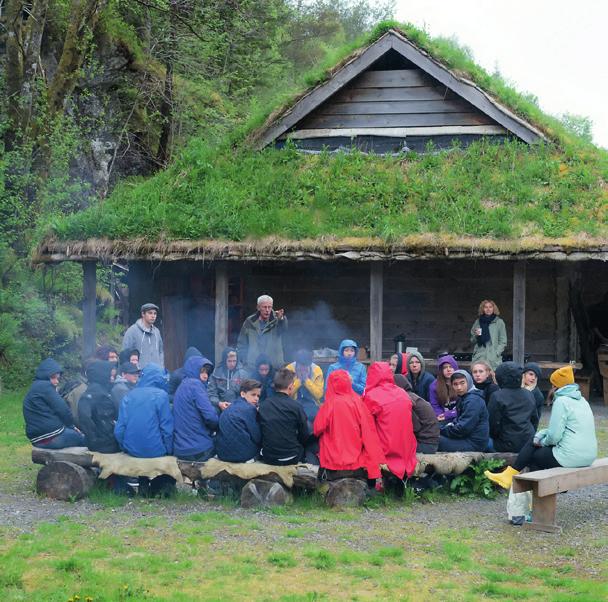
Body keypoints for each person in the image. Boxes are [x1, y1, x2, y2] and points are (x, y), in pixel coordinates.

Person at [485, 365, 598, 489]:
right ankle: (530, 491)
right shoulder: (582, 400)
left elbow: (554, 437)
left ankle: (527, 491)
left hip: (571, 457)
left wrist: (541, 440)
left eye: (552, 384)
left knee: (533, 455)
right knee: (534, 443)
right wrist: (541, 435)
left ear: (556, 386)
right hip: (589, 455)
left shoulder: (561, 401)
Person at [314, 370, 385, 481]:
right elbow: (368, 430)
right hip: (356, 456)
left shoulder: (329, 404)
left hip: (334, 459)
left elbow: (317, 429)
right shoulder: (358, 401)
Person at [115, 363, 175, 496]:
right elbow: (167, 428)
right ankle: (157, 488)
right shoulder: (161, 395)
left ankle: (143, 485)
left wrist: (124, 446)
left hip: (132, 449)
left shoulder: (129, 395)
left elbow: (120, 428)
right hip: (156, 449)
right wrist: (169, 450)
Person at [363, 362, 418, 484]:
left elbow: (366, 426)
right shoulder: (402, 392)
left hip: (387, 448)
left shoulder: (372, 395)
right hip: (407, 447)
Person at [23, 359, 86, 449]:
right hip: (53, 436)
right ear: (45, 376)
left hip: (37, 440)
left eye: (58, 378)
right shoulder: (45, 386)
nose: (56, 381)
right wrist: (71, 426)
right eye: (53, 377)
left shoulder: (35, 387)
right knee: (87, 439)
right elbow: (63, 409)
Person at [258, 368, 311, 466]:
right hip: (291, 457)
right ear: (290, 387)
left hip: (269, 457)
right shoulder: (296, 406)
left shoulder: (263, 405)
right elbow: (304, 434)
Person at [172, 355, 217, 462]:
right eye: (202, 372)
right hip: (198, 450)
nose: (205, 376)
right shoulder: (196, 386)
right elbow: (211, 417)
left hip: (180, 449)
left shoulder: (182, 386)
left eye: (207, 372)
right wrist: (217, 426)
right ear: (193, 371)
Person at [487, 362, 538, 453]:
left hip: (506, 443)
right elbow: (534, 420)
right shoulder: (528, 394)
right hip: (528, 442)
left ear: (500, 378)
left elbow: (493, 424)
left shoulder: (497, 396)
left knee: (481, 441)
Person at [438, 370, 489, 452]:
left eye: (462, 383)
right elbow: (458, 421)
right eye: (455, 384)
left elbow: (462, 429)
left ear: (468, 382)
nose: (459, 387)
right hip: (465, 438)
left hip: (473, 443)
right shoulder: (463, 397)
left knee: (433, 440)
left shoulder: (473, 400)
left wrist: (441, 430)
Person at [216, 379, 263, 463]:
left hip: (222, 454)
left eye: (258, 396)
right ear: (242, 394)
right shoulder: (250, 409)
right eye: (253, 395)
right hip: (242, 456)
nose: (256, 399)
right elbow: (257, 437)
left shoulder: (231, 406)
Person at [78, 360, 119, 453]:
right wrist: (94, 439)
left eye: (113, 376)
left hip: (104, 439)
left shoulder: (104, 390)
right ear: (101, 375)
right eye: (110, 376)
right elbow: (85, 419)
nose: (112, 379)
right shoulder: (96, 394)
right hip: (104, 443)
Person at [237, 294, 287, 369]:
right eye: (264, 307)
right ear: (258, 307)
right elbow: (242, 344)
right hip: (253, 367)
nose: (267, 310)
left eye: (269, 307)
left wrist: (282, 318)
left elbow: (284, 328)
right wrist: (245, 361)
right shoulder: (250, 321)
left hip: (274, 366)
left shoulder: (277, 319)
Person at [394, 373, 440, 454]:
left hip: (426, 445)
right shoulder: (412, 396)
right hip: (431, 442)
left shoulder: (405, 399)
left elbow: (415, 427)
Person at [286, 349, 324, 424]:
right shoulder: (289, 369)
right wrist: (299, 380)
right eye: (301, 366)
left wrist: (306, 380)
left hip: (312, 403)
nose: (303, 369)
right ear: (297, 363)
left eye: (305, 366)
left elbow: (319, 395)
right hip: (293, 402)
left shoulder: (317, 370)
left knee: (311, 418)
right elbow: (286, 394)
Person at [122, 303, 164, 369]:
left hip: (156, 373)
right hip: (139, 373)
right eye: (150, 313)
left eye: (155, 313)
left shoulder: (157, 332)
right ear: (143, 314)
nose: (153, 316)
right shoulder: (132, 331)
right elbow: (125, 353)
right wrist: (133, 370)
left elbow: (161, 351)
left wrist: (161, 367)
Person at [208, 347, 248, 412]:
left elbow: (247, 394)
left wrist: (236, 405)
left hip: (238, 408)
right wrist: (219, 403)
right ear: (224, 360)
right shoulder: (216, 373)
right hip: (219, 407)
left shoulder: (243, 374)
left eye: (234, 361)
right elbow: (211, 393)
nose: (232, 364)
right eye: (229, 361)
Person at [471, 299, 507, 370]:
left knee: (493, 378)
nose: (488, 309)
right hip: (479, 356)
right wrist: (476, 335)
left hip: (493, 358)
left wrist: (496, 353)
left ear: (494, 308)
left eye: (490, 307)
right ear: (482, 309)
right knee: (479, 377)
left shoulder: (499, 322)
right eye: (486, 307)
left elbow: (503, 341)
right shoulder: (478, 322)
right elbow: (472, 341)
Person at [429, 355, 459, 421]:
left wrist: (449, 414)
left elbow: (464, 407)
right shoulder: (434, 386)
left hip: (458, 416)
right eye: (445, 367)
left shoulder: (461, 383)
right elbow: (435, 405)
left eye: (451, 367)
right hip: (442, 418)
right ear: (441, 370)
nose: (448, 369)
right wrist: (441, 415)